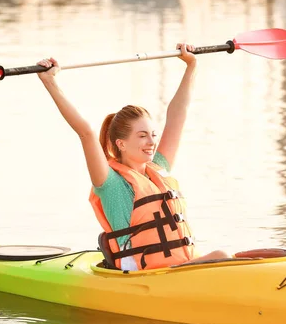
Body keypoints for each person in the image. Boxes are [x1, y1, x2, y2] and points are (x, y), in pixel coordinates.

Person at [37, 43, 230, 271]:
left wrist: (191, 66)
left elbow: (178, 115)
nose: (151, 142)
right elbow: (85, 132)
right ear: (121, 144)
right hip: (142, 275)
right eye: (142, 136)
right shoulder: (110, 184)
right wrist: (49, 82)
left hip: (176, 271)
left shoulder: (158, 169)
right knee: (222, 255)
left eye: (153, 135)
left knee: (241, 256)